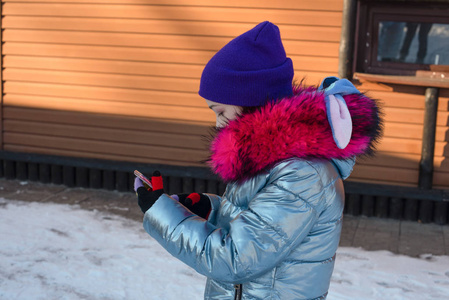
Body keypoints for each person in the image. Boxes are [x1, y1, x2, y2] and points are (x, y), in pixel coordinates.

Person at [134, 21, 382, 300]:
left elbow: (236, 259)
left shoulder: (302, 174)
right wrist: (210, 208)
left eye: (221, 112)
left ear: (250, 102)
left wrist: (162, 215)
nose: (218, 124)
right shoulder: (273, 161)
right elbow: (259, 226)